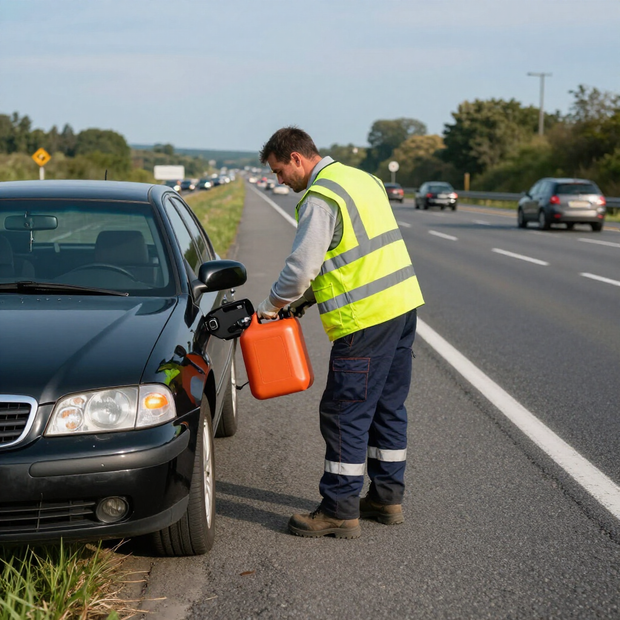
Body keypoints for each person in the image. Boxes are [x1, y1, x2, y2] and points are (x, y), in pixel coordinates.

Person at [256, 127, 424, 539]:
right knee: (387, 407)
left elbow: (301, 269)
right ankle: (387, 498)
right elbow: (350, 253)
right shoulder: (361, 178)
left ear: (296, 157)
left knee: (344, 413)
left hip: (364, 320)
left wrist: (271, 307)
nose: (280, 180)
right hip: (400, 308)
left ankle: (339, 510)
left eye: (280, 171)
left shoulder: (320, 198)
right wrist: (305, 302)